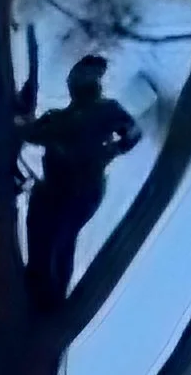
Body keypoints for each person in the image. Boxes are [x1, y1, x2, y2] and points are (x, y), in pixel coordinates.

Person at [20, 52, 141, 310]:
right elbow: (28, 132)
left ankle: (54, 301)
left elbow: (133, 132)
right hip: (52, 189)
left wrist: (113, 149)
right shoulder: (57, 117)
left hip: (83, 187)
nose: (77, 80)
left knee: (61, 238)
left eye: (86, 74)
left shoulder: (107, 110)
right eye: (76, 75)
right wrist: (21, 110)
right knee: (40, 238)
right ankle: (34, 289)